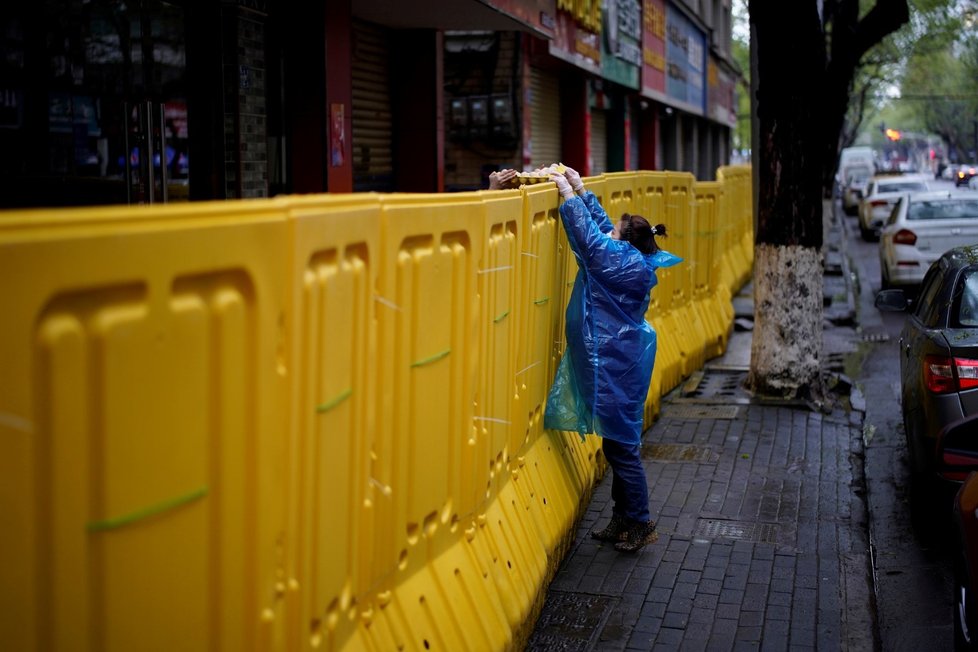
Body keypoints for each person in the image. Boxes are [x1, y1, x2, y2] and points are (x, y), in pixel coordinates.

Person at [544, 165, 682, 553]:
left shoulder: (620, 263)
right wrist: (580, 188)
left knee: (622, 448)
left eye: (617, 234)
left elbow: (591, 240)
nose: (610, 233)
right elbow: (603, 228)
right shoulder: (630, 256)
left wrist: (568, 197)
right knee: (617, 443)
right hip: (618, 364)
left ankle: (640, 522)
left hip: (613, 366)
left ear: (624, 244)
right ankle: (623, 517)